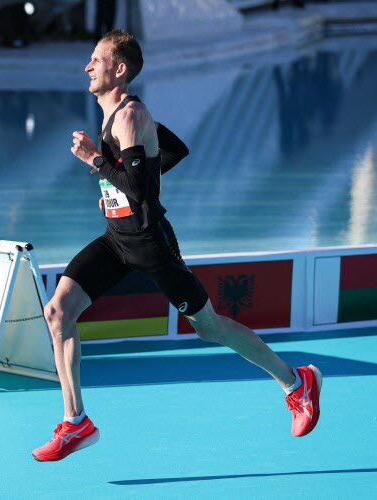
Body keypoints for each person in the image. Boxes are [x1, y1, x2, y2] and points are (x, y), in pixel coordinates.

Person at [31, 30, 323, 462]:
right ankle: (76, 423)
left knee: (210, 327)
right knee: (58, 312)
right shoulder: (115, 113)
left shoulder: (129, 116)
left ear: (120, 69)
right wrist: (117, 186)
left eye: (97, 59)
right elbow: (174, 152)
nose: (88, 66)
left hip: (150, 244)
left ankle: (296, 382)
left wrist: (97, 162)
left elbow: (138, 188)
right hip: (117, 238)